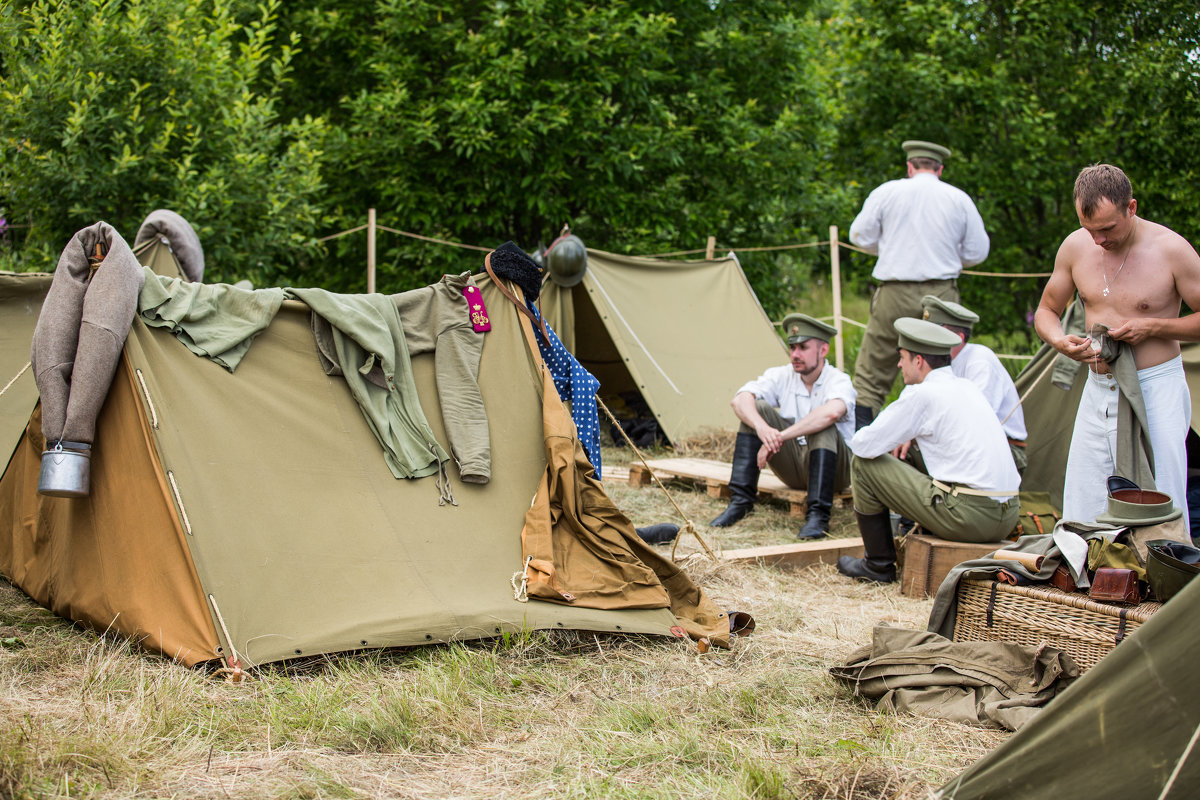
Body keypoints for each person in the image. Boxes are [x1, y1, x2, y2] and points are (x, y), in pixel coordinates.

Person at [1035, 163, 1200, 524]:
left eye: (1107, 228)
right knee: (1084, 497)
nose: (1098, 240)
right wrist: (1060, 341)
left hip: (1155, 387)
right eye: (1088, 228)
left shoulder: (1172, 250)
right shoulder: (1075, 247)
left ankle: (1165, 574)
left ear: (1132, 208)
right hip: (1097, 389)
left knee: (1162, 493)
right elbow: (1047, 309)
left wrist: (1155, 326)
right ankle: (1092, 577)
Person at [836, 318, 1020, 583]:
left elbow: (864, 445)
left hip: (971, 517)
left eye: (902, 357)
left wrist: (894, 437)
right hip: (1008, 514)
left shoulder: (923, 393)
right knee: (906, 450)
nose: (899, 364)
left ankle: (877, 564)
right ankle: (906, 533)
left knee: (863, 464)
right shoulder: (966, 387)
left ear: (919, 361)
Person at [848, 140, 991, 430]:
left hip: (893, 293)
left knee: (871, 375)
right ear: (939, 168)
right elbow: (978, 252)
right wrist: (947, 256)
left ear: (910, 166)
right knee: (940, 370)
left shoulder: (887, 192)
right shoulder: (958, 198)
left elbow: (859, 235)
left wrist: (888, 248)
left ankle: (860, 452)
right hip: (940, 296)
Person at [709, 313, 856, 540]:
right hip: (796, 468)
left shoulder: (838, 380)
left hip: (836, 471)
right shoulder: (783, 375)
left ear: (823, 350)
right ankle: (741, 502)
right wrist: (762, 429)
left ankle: (818, 515)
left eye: (803, 347)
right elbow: (739, 400)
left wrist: (780, 437)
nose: (795, 354)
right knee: (754, 407)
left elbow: (832, 413)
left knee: (822, 425)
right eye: (792, 347)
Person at [921, 295, 1028, 474]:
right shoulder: (938, 361)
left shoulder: (980, 361)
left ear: (958, 337)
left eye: (935, 333)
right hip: (962, 445)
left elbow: (975, 424)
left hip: (1003, 451)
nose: (927, 339)